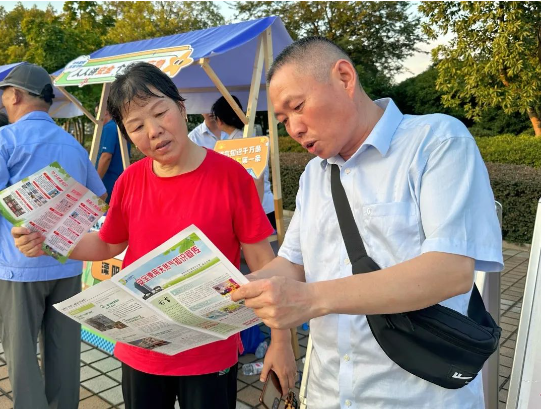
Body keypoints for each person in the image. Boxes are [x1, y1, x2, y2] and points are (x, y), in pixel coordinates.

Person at [230, 37, 504, 408]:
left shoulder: (436, 142)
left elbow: (450, 270)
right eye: (282, 120)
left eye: (297, 107)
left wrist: (311, 299)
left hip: (417, 395)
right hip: (329, 391)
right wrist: (234, 288)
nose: (293, 128)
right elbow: (293, 263)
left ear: (344, 78)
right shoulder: (314, 175)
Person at [12, 62, 296, 408]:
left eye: (160, 113)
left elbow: (266, 267)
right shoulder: (130, 180)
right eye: (136, 126)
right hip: (142, 348)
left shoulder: (231, 177)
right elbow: (108, 243)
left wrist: (281, 342)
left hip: (209, 351)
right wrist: (50, 242)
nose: (154, 131)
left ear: (180, 105)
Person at [0, 62, 106, 408]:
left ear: (14, 95)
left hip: (19, 268)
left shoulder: (6, 140)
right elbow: (98, 198)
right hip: (68, 263)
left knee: (21, 355)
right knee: (65, 350)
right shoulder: (71, 144)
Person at [211, 95, 276, 230]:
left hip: (255, 212)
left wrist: (252, 215)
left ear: (219, 120)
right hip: (266, 207)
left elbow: (256, 179)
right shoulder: (251, 139)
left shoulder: (232, 146)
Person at [95, 106, 131, 203]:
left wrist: (96, 182)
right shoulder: (120, 127)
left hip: (108, 182)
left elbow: (106, 156)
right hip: (120, 180)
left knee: (103, 215)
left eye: (97, 113)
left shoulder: (108, 128)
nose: (96, 117)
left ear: (105, 112)